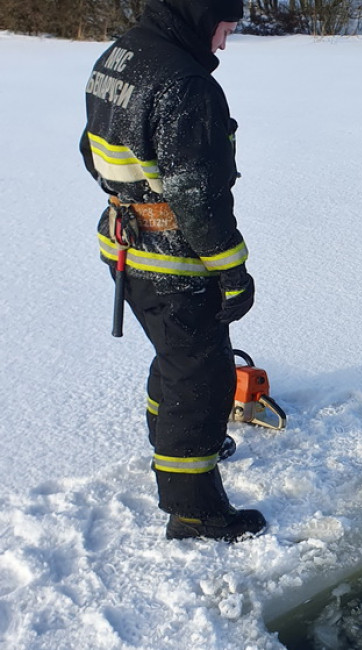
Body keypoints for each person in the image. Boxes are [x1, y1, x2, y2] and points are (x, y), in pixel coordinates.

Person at [80, 0, 266, 542]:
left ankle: (174, 442)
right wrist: (234, 272)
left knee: (175, 354)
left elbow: (90, 152)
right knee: (201, 377)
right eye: (224, 28)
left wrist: (131, 199)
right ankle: (194, 510)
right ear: (201, 14)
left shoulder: (120, 56)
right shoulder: (185, 85)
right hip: (172, 259)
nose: (223, 43)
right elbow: (198, 198)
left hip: (123, 243)